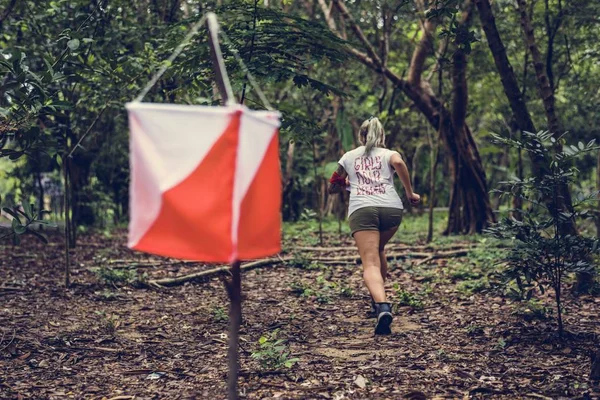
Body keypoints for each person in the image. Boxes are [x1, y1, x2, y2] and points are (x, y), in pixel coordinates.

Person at [328, 117, 420, 335]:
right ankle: (377, 299)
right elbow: (398, 163)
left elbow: (333, 186)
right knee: (378, 250)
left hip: (363, 210)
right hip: (392, 210)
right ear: (382, 137)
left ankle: (383, 306)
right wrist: (409, 193)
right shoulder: (389, 153)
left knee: (369, 262)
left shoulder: (348, 157)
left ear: (361, 136)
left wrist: (345, 182)